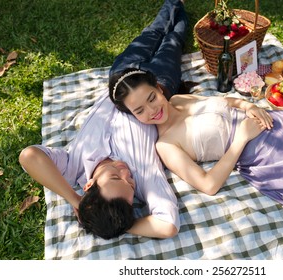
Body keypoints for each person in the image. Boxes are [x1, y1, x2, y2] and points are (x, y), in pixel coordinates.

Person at [109, 72, 283, 222]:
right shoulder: (166, 145)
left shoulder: (180, 99)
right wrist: (241, 138)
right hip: (275, 155)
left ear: (159, 88)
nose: (152, 110)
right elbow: (208, 185)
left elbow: (227, 103)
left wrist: (249, 105)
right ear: (133, 115)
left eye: (152, 97)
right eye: (140, 110)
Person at [19, 0, 188, 239]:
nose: (126, 174)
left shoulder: (72, 168)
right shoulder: (144, 176)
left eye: (115, 176)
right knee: (173, 41)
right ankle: (182, 12)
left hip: (122, 79)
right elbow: (168, 225)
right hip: (158, 86)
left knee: (152, 33)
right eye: (129, 185)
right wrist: (115, 223)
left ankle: (173, 2)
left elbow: (29, 156)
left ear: (88, 186)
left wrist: (76, 201)